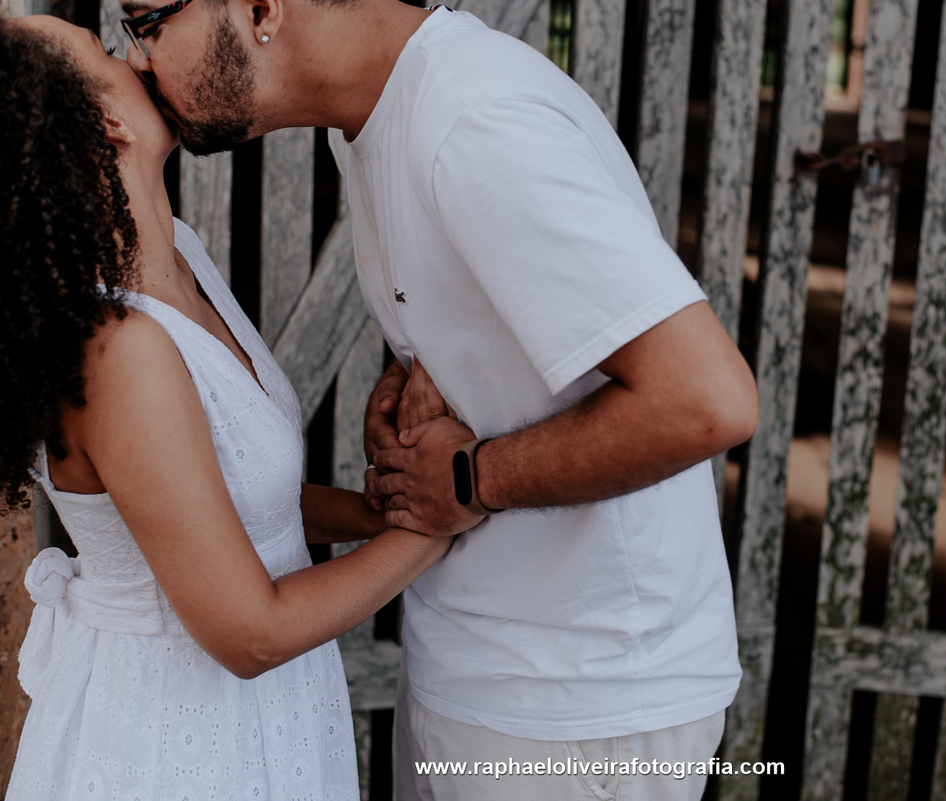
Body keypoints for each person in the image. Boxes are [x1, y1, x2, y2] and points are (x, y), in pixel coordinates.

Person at [119, 1, 761, 798]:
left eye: (145, 21)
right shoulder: (372, 124)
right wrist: (412, 387)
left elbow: (706, 398)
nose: (139, 60)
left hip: (577, 698)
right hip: (480, 657)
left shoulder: (473, 121)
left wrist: (468, 480)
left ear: (259, 8)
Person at [1, 16, 452, 799]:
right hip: (175, 735)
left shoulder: (183, 257)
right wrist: (447, 515)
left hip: (270, 709)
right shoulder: (117, 353)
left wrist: (384, 511)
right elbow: (251, 631)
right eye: (108, 54)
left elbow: (234, 503)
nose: (137, 53)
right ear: (104, 123)